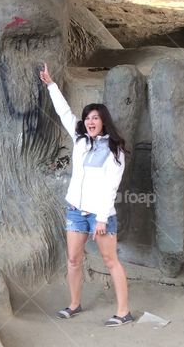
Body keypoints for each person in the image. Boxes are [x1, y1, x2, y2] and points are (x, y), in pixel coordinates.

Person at [39, 63, 133, 327]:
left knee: (109, 260)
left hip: (100, 215)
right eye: (88, 118)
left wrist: (102, 219)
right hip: (75, 211)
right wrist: (51, 85)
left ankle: (124, 311)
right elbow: (65, 113)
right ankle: (74, 304)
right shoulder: (80, 140)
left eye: (95, 118)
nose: (90, 121)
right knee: (73, 259)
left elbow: (111, 187)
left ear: (104, 122)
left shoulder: (114, 150)